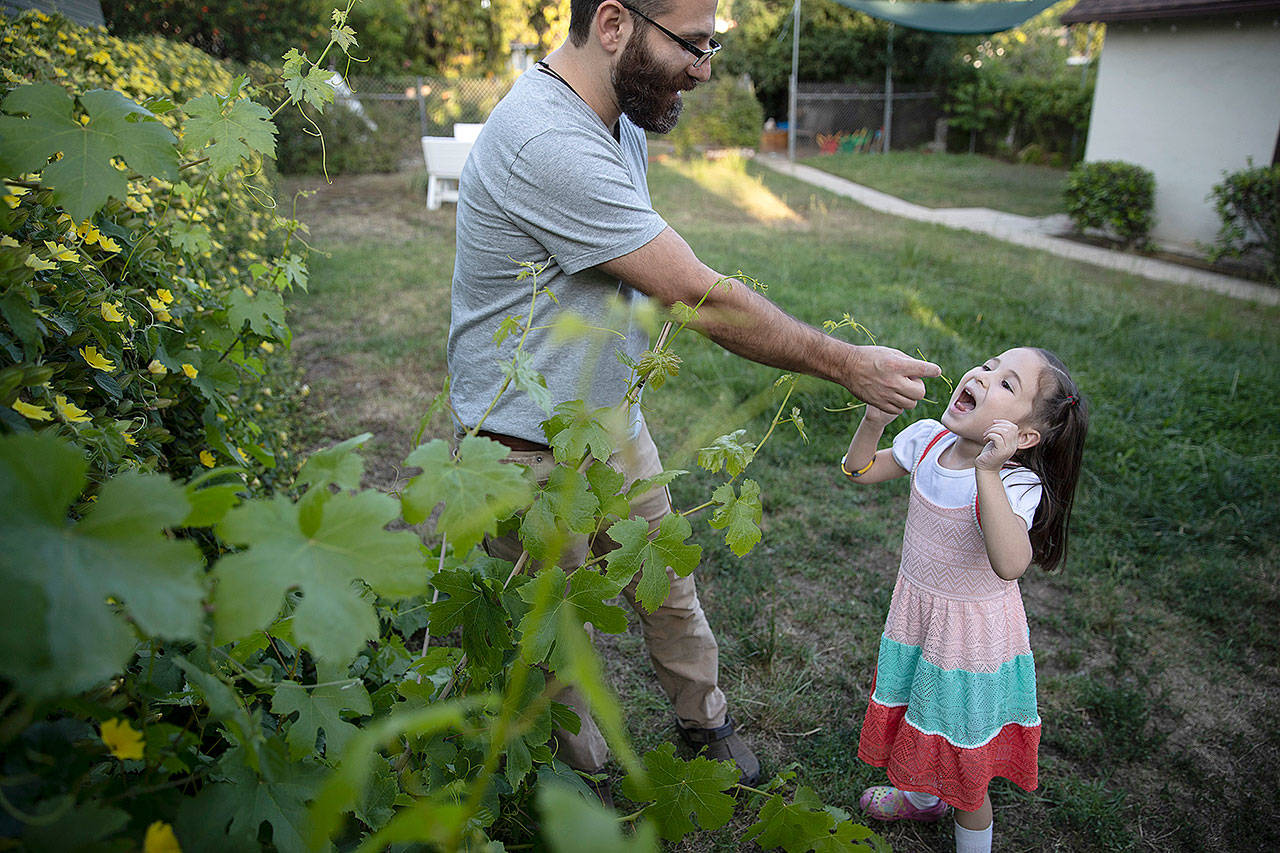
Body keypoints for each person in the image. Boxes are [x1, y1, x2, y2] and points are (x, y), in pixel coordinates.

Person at [447, 0, 939, 796]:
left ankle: (703, 721)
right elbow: (700, 297)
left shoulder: (621, 122)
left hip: (605, 419)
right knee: (553, 635)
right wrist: (846, 362)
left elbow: (634, 256)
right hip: (521, 447)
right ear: (613, 25)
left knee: (666, 583)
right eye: (694, 45)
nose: (706, 67)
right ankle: (586, 788)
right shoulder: (546, 139)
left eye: (714, 44)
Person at [839, 347, 1088, 853]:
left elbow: (1010, 562)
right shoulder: (930, 440)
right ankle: (923, 797)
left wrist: (988, 473)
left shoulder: (1016, 482)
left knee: (964, 766)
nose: (983, 374)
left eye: (1007, 384)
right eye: (990, 365)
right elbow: (859, 470)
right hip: (918, 619)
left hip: (969, 642)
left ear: (1024, 438)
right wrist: (872, 420)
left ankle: (964, 825)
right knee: (918, 712)